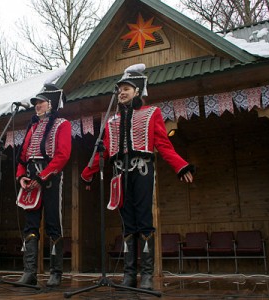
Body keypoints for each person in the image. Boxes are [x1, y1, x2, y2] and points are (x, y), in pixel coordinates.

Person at [81, 64, 194, 290]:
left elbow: (163, 143)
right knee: (127, 224)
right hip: (119, 173)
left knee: (143, 220)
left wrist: (180, 166)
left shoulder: (152, 113)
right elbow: (103, 149)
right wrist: (88, 174)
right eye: (120, 89)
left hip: (142, 169)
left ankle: (147, 275)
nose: (122, 92)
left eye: (127, 88)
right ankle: (129, 274)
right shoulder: (111, 121)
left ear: (137, 90)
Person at [15, 83, 71, 287]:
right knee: (30, 226)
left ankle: (56, 272)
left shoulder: (62, 124)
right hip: (30, 181)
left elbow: (62, 155)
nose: (37, 106)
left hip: (50, 179)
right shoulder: (32, 127)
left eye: (41, 102)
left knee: (53, 224)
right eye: (36, 103)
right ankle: (29, 271)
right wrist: (21, 177)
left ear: (51, 104)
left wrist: (43, 176)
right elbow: (23, 158)